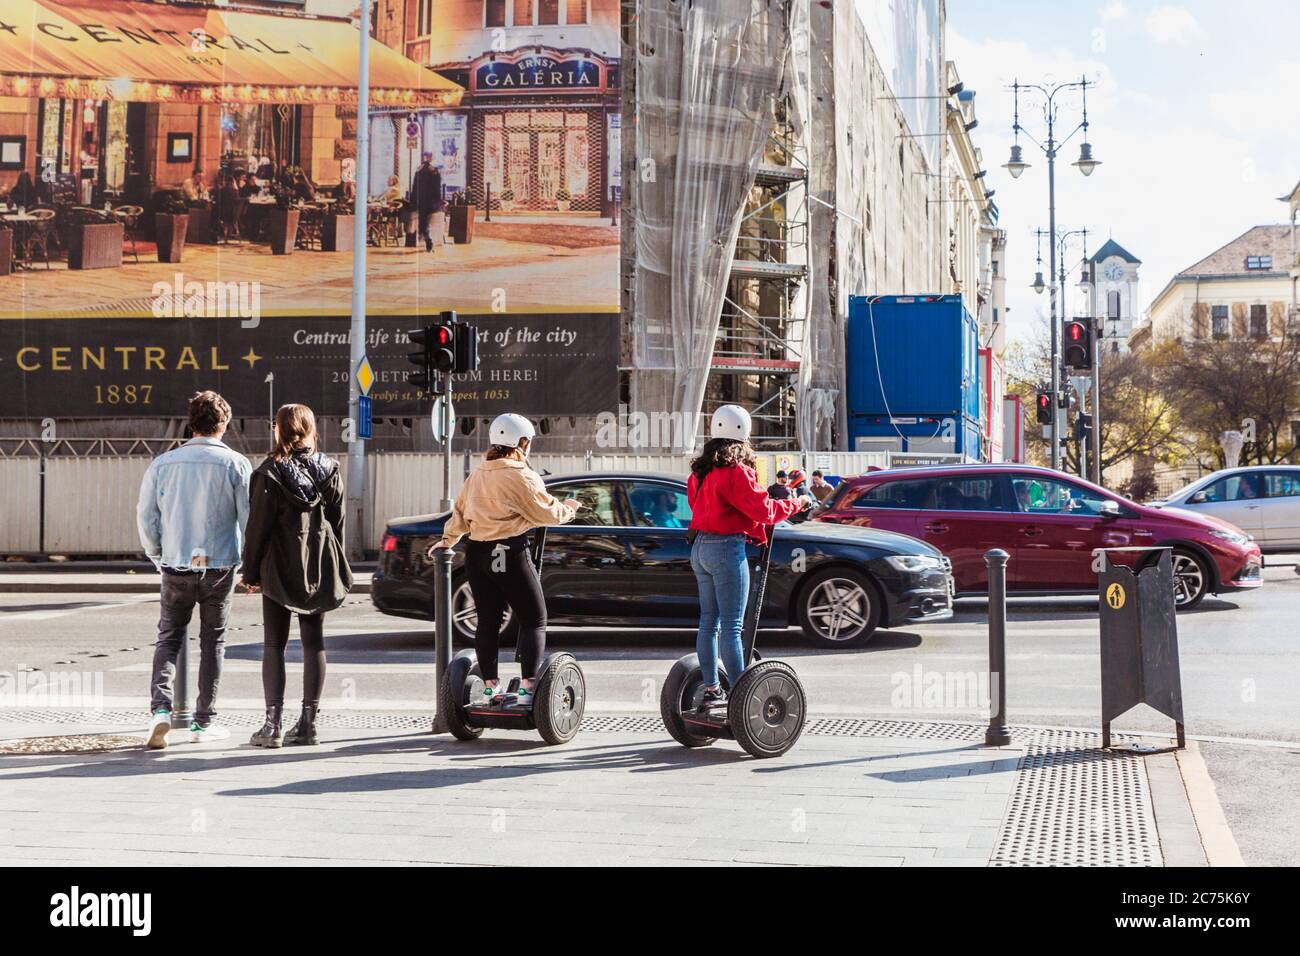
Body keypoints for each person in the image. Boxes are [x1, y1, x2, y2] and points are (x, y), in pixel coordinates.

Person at [427, 414, 581, 706]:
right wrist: (570, 508)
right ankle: (527, 689)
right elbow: (546, 513)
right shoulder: (521, 475)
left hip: (478, 555)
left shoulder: (478, 474)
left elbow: (459, 513)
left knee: (487, 621)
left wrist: (447, 540)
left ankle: (490, 688)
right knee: (534, 619)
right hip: (510, 553)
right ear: (522, 442)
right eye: (529, 442)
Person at [137, 391, 252, 748]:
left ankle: (160, 711)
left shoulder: (163, 464)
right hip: (220, 566)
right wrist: (248, 562)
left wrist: (158, 555)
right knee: (213, 641)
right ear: (225, 424)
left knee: (169, 637)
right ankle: (204, 722)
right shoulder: (236, 464)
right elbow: (248, 517)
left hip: (176, 564)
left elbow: (146, 517)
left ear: (191, 423)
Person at [242, 405, 352, 748]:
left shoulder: (269, 472)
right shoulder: (329, 468)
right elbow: (338, 523)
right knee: (314, 641)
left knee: (274, 643)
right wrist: (337, 563)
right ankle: (308, 725)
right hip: (318, 564)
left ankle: (272, 725)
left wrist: (250, 572)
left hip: (277, 566)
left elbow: (256, 529)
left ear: (278, 430)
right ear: (310, 430)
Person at [687, 406, 811, 708]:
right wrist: (797, 503)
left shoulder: (699, 473)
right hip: (726, 548)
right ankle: (743, 698)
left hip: (699, 548)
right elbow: (764, 510)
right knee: (732, 626)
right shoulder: (736, 472)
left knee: (709, 623)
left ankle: (713, 689)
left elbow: (699, 507)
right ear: (743, 435)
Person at [410, 152, 444, 252]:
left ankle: (427, 238)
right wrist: (438, 200)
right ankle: (428, 239)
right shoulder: (434, 171)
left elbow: (415, 186)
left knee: (423, 221)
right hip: (430, 200)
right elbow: (437, 187)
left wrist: (413, 199)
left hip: (422, 200)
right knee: (427, 221)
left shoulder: (419, 170)